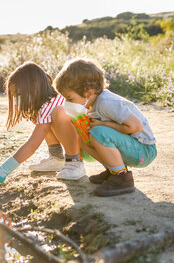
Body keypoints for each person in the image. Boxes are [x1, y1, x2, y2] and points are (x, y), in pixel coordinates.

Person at [55, 58, 157, 196]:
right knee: (84, 136)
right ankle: (113, 170)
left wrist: (103, 124)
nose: (67, 102)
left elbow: (136, 126)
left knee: (98, 132)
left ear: (89, 93)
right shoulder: (91, 103)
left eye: (69, 98)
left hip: (144, 151)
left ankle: (122, 178)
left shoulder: (107, 103)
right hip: (131, 147)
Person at [0, 62, 85, 186]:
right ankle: (56, 158)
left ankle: (75, 163)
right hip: (83, 142)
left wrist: (4, 169)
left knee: (58, 114)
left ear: (34, 87)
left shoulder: (53, 103)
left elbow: (32, 144)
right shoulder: (46, 105)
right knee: (43, 119)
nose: (17, 100)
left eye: (19, 94)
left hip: (91, 144)